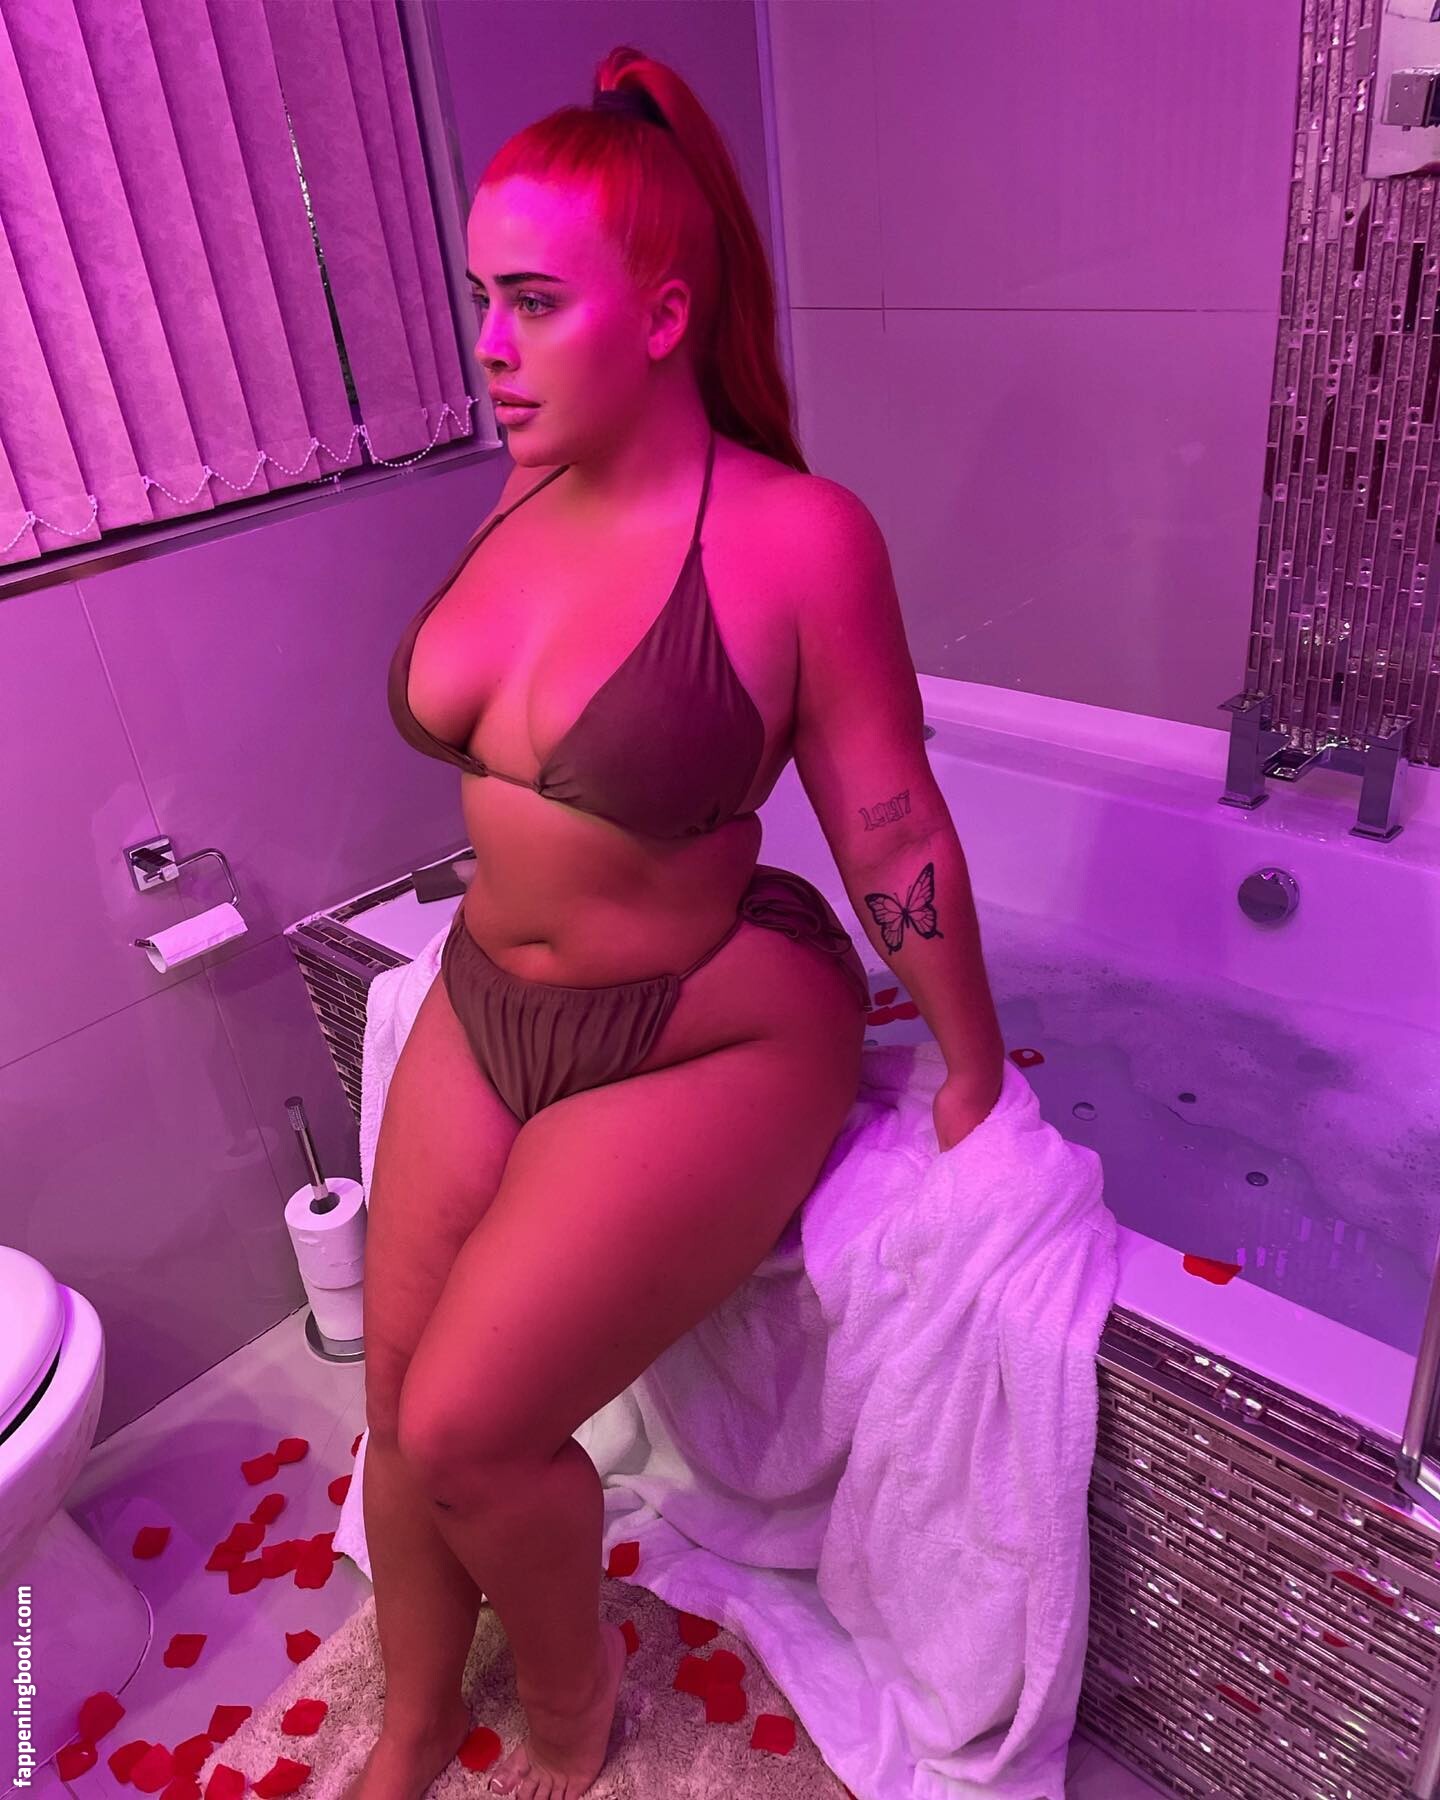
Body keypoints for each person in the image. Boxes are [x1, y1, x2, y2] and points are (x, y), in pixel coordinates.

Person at [355, 43, 997, 1800]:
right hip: (491, 996)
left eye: (533, 302)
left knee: (471, 1425)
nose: (491, 347)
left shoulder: (801, 537)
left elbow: (889, 821)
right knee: (394, 1401)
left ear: (659, 316)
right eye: (481, 299)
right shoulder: (525, 487)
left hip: (707, 1020)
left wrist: (972, 1068)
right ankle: (410, 1721)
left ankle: (575, 1715)